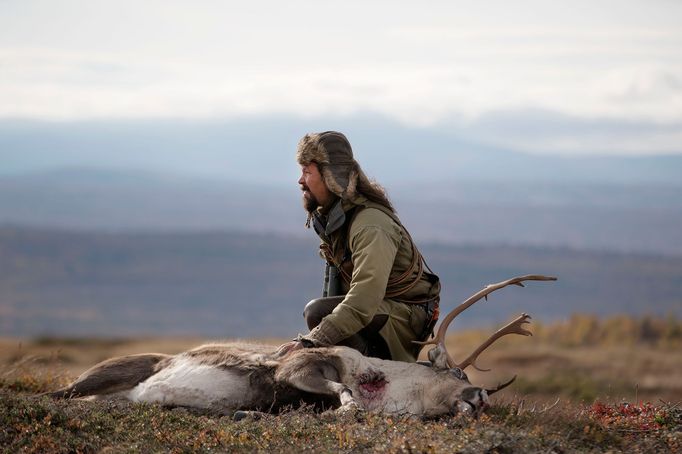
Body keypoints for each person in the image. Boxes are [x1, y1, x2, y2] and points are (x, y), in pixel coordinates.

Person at [277, 131, 440, 362]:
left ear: (330, 176)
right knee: (320, 312)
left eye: (307, 171)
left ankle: (376, 370)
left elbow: (364, 297)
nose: (300, 181)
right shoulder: (337, 218)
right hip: (383, 309)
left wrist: (312, 340)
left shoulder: (370, 225)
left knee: (318, 312)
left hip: (404, 315)